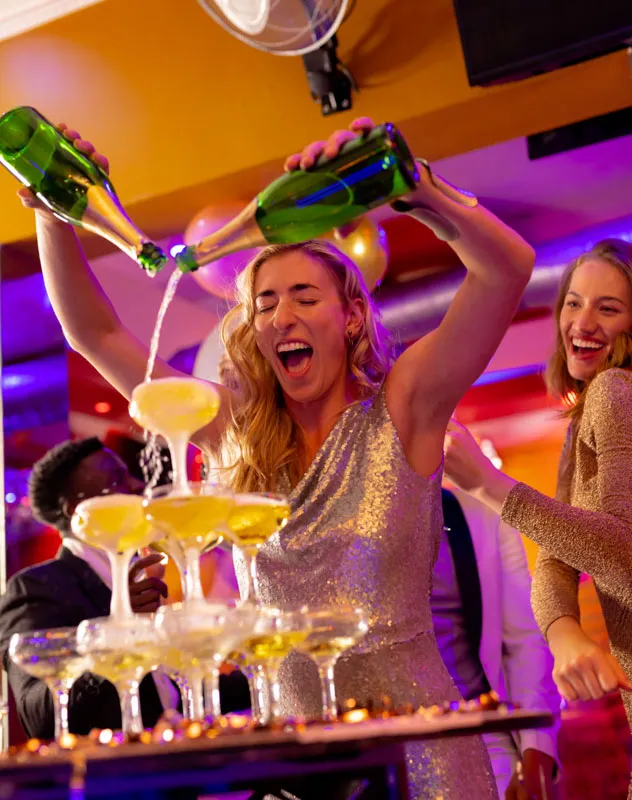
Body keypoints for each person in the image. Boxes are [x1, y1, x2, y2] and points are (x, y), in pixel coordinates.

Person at [18, 117, 535, 797]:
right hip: (291, 767)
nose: (282, 315)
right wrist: (55, 216)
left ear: (351, 316)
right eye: (265, 303)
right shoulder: (231, 432)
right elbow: (95, 332)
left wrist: (420, 189)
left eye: (304, 297)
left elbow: (507, 269)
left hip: (421, 757)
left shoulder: (405, 406)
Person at [442, 239, 632, 797]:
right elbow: (554, 561)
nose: (583, 322)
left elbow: (623, 551)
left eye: (608, 308)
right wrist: (562, 628)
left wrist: (491, 485)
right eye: (573, 303)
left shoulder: (615, 391)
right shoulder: (588, 412)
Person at [0, 437, 250, 740]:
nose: (137, 485)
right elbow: (40, 715)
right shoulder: (35, 587)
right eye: (117, 479)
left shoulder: (144, 572)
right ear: (77, 509)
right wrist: (116, 631)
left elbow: (167, 692)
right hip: (110, 767)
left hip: (177, 758)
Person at [434, 488, 560, 799]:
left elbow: (525, 640)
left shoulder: (480, 509)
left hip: (486, 738)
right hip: (377, 745)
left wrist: (536, 750)